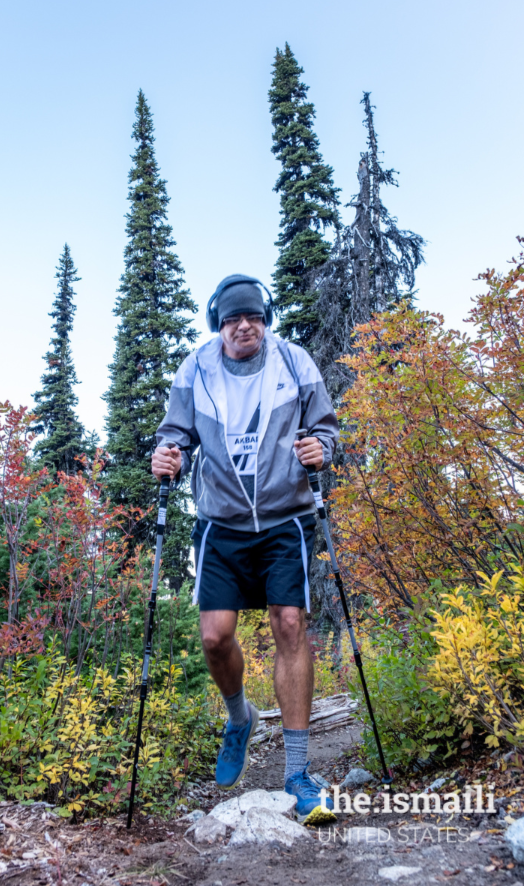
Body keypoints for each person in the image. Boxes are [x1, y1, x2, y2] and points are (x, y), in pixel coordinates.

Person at [152, 274, 339, 822]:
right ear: (218, 323)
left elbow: (326, 428)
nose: (244, 326)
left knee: (289, 624)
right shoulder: (196, 369)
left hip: (286, 518)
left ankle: (298, 773)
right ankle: (241, 718)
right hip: (222, 523)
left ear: (266, 318)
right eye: (233, 318)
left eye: (253, 316)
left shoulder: (295, 361)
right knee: (215, 637)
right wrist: (168, 456)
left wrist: (320, 448)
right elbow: (174, 434)